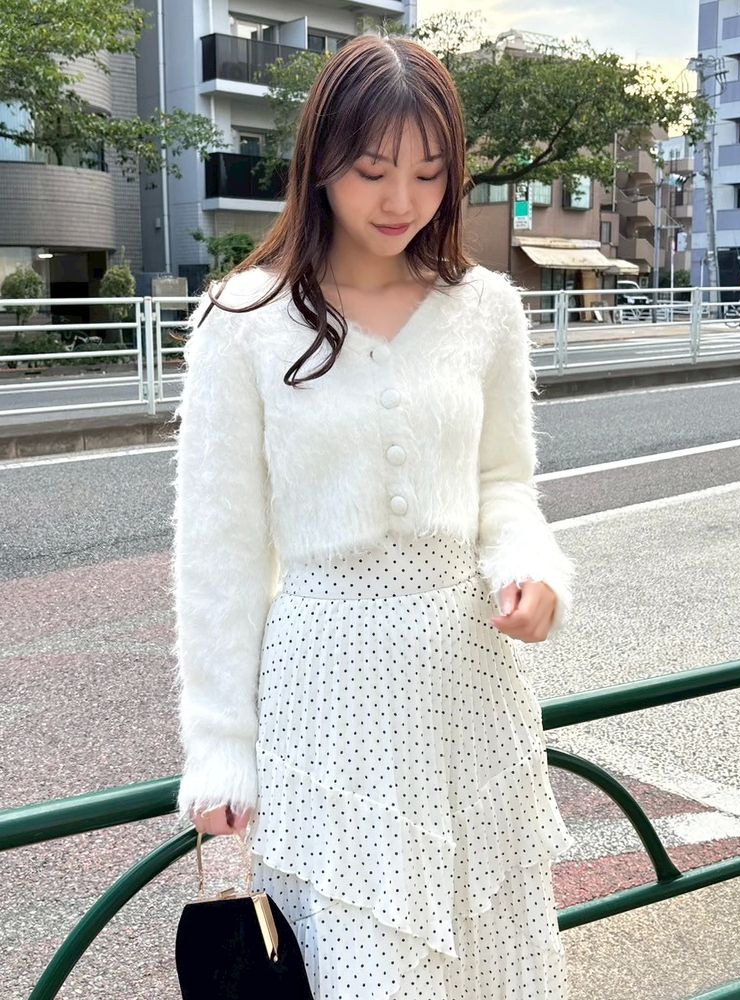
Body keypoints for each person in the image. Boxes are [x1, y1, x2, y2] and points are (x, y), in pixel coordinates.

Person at [170, 29, 577, 1000]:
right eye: (372, 170)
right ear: (320, 163)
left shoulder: (485, 309)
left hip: (467, 684)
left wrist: (531, 571)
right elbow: (220, 550)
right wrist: (219, 749)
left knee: (494, 958)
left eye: (430, 174)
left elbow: (504, 483)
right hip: (326, 692)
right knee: (367, 964)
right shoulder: (243, 320)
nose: (402, 200)